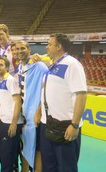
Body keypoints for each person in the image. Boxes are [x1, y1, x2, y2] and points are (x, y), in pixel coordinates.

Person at [40, 33, 87, 172]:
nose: (47, 47)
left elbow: (81, 95)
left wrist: (74, 124)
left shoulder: (72, 64)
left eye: (49, 44)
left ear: (59, 46)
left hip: (65, 126)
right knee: (49, 166)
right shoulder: (52, 65)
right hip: (47, 124)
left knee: (67, 167)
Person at [15, 40, 48, 172]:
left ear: (29, 49)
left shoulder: (39, 66)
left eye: (22, 48)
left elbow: (46, 89)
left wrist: (39, 110)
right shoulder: (20, 67)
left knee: (37, 148)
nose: (19, 51)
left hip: (35, 116)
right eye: (17, 49)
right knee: (25, 145)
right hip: (23, 116)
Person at [0, 56, 24, 172]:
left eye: (1, 65)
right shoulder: (0, 80)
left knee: (7, 157)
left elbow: (18, 101)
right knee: (3, 154)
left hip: (10, 123)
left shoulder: (11, 80)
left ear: (7, 67)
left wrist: (14, 123)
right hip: (3, 121)